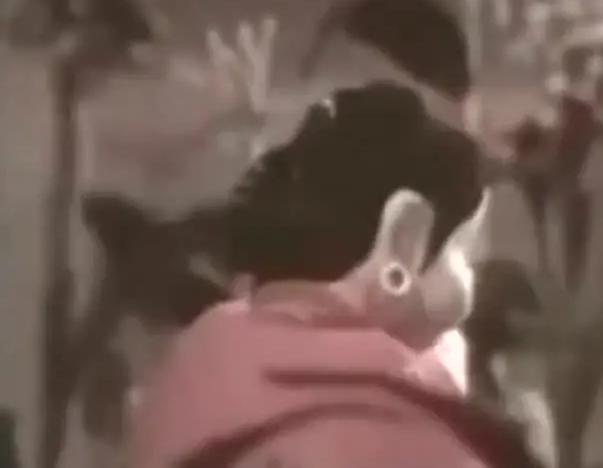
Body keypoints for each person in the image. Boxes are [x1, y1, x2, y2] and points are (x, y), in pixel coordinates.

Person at [130, 81, 543, 468]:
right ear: (404, 239)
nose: (470, 276)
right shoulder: (406, 442)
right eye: (461, 252)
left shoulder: (200, 356)